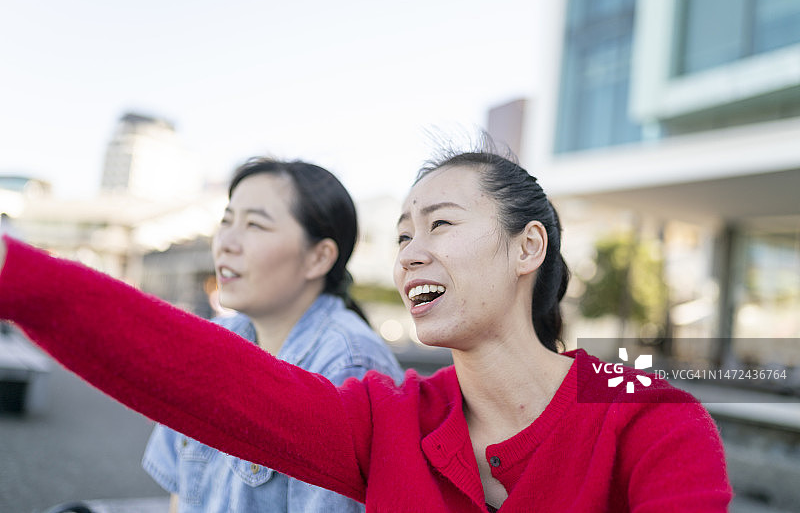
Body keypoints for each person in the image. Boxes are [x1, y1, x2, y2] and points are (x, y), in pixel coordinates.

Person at [0, 143, 732, 512]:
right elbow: (203, 379)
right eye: (404, 234)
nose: (412, 250)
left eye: (441, 224)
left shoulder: (650, 413)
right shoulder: (392, 419)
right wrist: (15, 275)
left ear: (527, 248)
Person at [142, 158, 404, 513]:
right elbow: (180, 494)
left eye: (255, 225)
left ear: (318, 258)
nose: (226, 243)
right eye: (226, 220)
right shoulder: (215, 341)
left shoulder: (348, 366)